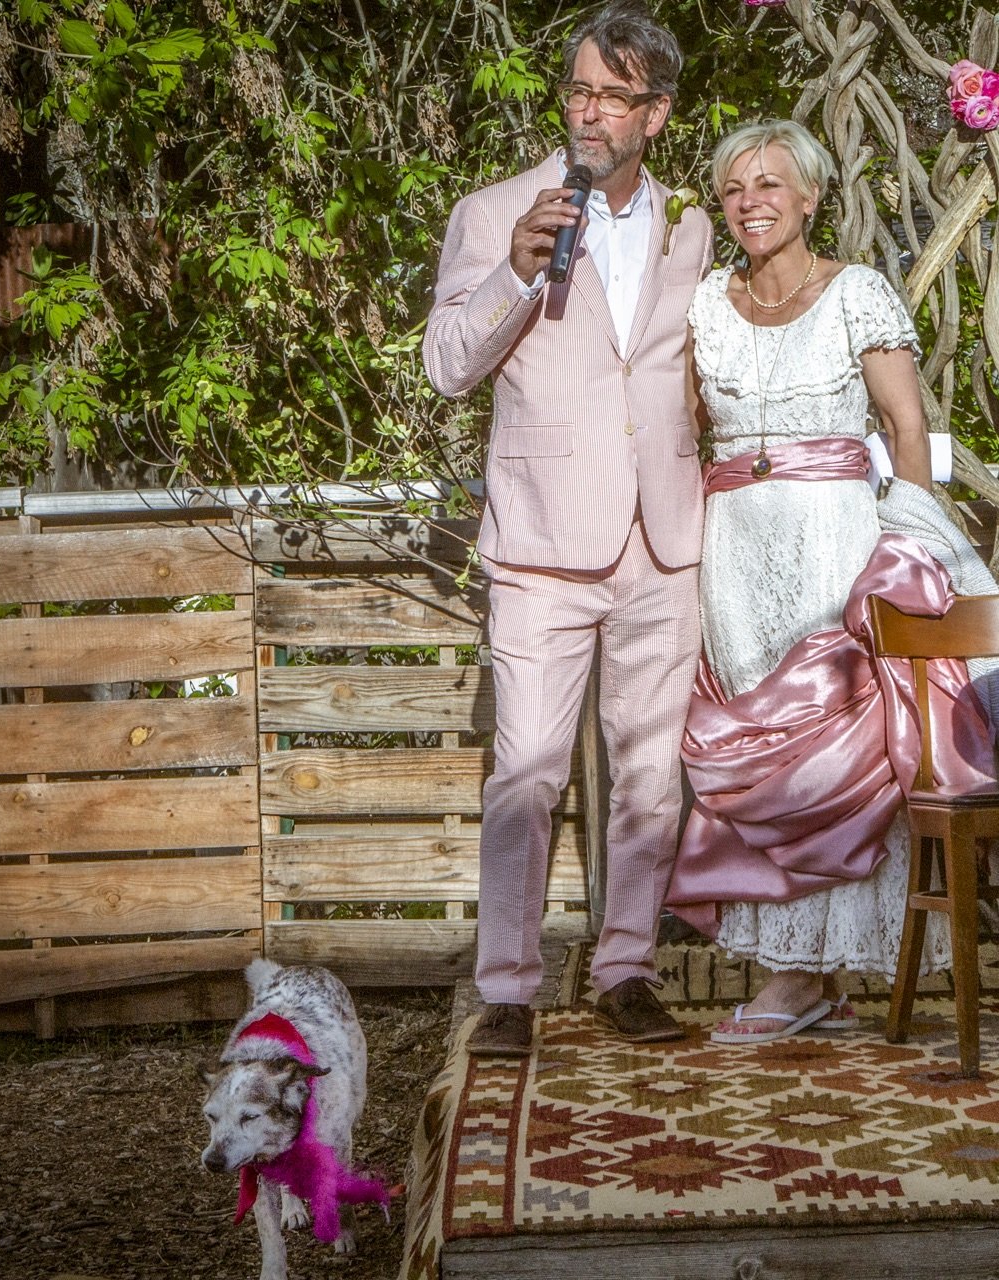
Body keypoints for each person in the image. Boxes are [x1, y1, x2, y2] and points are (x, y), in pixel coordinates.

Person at [666, 120, 999, 1042]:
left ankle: (829, 968)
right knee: (761, 762)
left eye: (772, 184)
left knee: (853, 752)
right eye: (734, 188)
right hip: (734, 555)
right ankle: (790, 971)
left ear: (810, 198)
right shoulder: (704, 305)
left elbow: (907, 426)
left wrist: (908, 543)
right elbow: (689, 430)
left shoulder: (857, 293)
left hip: (843, 543)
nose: (751, 201)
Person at [423, 1, 713, 1058]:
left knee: (647, 773)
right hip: (542, 539)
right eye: (578, 90)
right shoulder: (496, 206)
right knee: (528, 767)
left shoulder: (695, 224)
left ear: (657, 113)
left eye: (613, 96)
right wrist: (513, 265)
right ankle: (506, 985)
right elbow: (448, 364)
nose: (589, 113)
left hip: (664, 538)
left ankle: (626, 968)